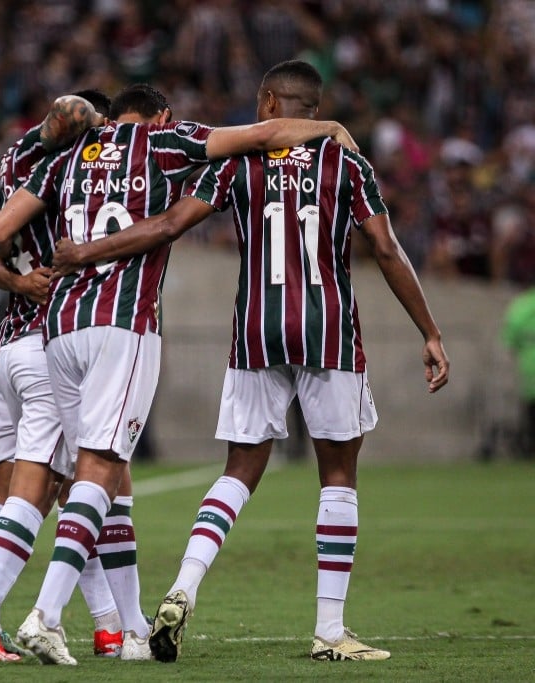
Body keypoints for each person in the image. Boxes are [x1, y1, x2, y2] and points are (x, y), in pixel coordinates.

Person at [51, 60, 450, 663]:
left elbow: (166, 225)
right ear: (315, 109)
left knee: (239, 470)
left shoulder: (237, 162)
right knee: (337, 475)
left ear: (268, 102)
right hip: (328, 330)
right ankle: (330, 630)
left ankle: (182, 588)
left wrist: (87, 251)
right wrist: (430, 331)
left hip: (256, 332)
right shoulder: (346, 161)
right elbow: (387, 248)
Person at [0, 81, 360, 666]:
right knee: (102, 470)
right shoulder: (164, 143)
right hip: (122, 324)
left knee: (83, 473)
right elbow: (260, 137)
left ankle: (116, 624)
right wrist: (327, 128)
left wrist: (33, 268)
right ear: (160, 116)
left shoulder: (65, 156)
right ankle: (45, 615)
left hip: (56, 325)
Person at [0, 90, 126, 662]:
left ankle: (7, 620)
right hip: (44, 349)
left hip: (3, 353)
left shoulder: (12, 167)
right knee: (73, 490)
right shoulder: (65, 175)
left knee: (7, 495)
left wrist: (17, 282)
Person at [502, 286, 535, 459]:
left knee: (531, 416)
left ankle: (529, 451)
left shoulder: (521, 306)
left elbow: (509, 340)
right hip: (529, 372)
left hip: (529, 371)